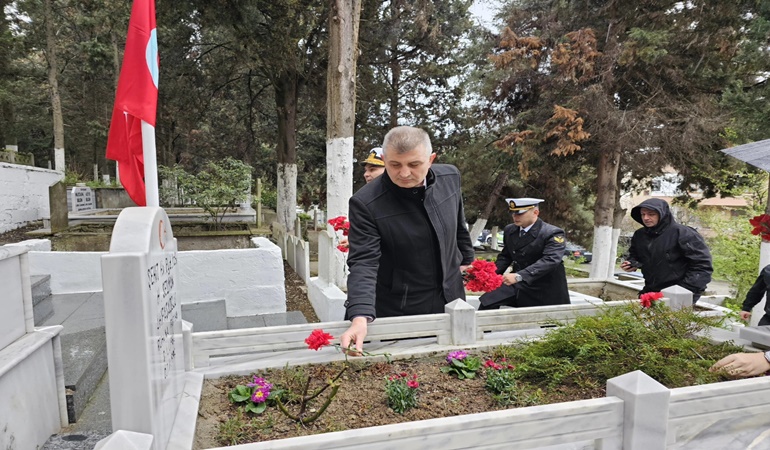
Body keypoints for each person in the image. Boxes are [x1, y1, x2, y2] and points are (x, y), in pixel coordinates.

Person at [340, 126, 475, 353]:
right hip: (400, 306)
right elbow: (364, 261)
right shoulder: (365, 203)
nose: (404, 173)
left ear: (430, 159)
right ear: (384, 160)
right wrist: (360, 315)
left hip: (452, 298)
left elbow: (457, 220)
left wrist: (466, 256)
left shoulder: (450, 177)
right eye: (394, 165)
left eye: (414, 164)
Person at [478, 198, 570, 309]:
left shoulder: (552, 233)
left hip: (543, 287)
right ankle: (485, 327)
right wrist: (490, 275)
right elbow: (506, 256)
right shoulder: (510, 230)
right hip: (518, 283)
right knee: (488, 301)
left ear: (535, 212)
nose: (515, 217)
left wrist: (520, 276)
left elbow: (550, 260)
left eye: (520, 213)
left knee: (548, 323)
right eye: (513, 213)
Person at [620, 198, 712, 303]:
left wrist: (685, 290)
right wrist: (632, 263)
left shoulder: (683, 233)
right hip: (650, 291)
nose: (646, 218)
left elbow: (702, 266)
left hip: (679, 293)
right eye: (643, 214)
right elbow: (635, 255)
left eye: (651, 214)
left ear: (662, 214)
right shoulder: (640, 235)